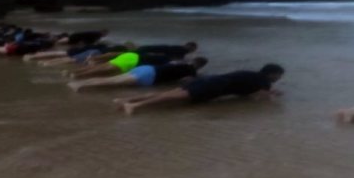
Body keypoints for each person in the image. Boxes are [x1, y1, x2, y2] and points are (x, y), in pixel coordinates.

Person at [113, 64, 285, 115]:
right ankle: (135, 106)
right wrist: (272, 95)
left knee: (169, 93)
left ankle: (127, 100)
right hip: (214, 86)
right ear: (272, 74)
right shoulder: (264, 82)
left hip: (210, 80)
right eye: (279, 76)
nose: (279, 79)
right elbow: (257, 97)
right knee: (173, 97)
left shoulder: (250, 72)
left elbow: (247, 89)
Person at [68, 57, 209, 92]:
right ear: (200, 66)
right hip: (150, 75)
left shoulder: (180, 62)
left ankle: (80, 82)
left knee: (112, 79)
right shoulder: (192, 71)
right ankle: (78, 84)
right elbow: (187, 81)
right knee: (113, 82)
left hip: (145, 68)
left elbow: (171, 65)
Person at [68, 51, 173, 79]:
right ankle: (78, 75)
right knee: (103, 70)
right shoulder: (165, 60)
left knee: (102, 67)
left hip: (130, 55)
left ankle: (74, 72)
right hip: (133, 61)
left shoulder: (156, 54)